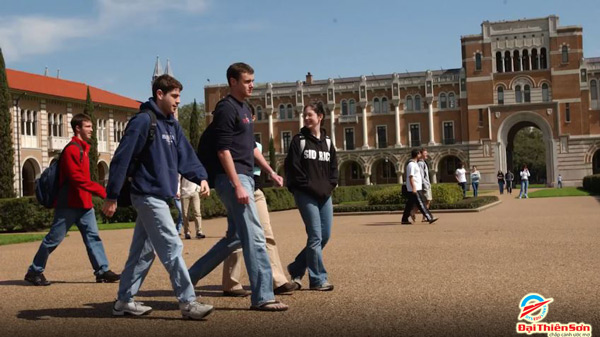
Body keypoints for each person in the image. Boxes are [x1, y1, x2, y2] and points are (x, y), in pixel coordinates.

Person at [102, 74, 213, 320]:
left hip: (162, 196)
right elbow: (122, 157)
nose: (178, 101)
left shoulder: (173, 125)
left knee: (142, 252)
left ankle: (123, 302)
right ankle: (188, 302)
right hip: (147, 194)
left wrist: (201, 177)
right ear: (160, 94)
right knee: (172, 247)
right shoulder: (144, 121)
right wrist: (112, 195)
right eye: (174, 96)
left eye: (179, 96)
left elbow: (186, 155)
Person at [187, 63, 288, 311]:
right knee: (254, 236)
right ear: (233, 82)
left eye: (253, 80)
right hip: (233, 179)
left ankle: (186, 279)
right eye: (247, 81)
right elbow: (223, 150)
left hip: (245, 177)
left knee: (235, 239)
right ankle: (263, 296)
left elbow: (251, 147)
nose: (252, 84)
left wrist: (271, 171)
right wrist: (237, 185)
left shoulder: (244, 109)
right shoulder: (226, 109)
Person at [25, 114, 120, 286]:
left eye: (92, 126)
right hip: (68, 204)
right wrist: (102, 191)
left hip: (84, 204)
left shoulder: (83, 149)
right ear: (78, 128)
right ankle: (34, 271)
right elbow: (76, 179)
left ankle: (102, 271)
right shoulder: (72, 149)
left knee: (93, 237)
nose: (92, 130)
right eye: (88, 126)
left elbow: (82, 179)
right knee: (53, 239)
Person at [221, 107, 299, 297]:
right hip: (239, 187)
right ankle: (231, 283)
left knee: (267, 232)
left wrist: (271, 172)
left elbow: (256, 156)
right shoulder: (232, 137)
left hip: (255, 188)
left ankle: (277, 280)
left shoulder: (253, 142)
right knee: (237, 236)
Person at [285, 102, 338, 291]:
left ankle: (296, 267)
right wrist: (307, 187)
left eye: (310, 115)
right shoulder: (298, 140)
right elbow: (294, 168)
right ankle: (318, 279)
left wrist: (330, 185)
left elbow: (334, 168)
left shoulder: (328, 142)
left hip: (324, 195)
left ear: (320, 117)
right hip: (305, 194)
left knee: (325, 236)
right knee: (315, 235)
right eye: (305, 115)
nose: (307, 118)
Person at [401, 149, 437, 225]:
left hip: (416, 187)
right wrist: (413, 187)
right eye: (420, 154)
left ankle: (404, 219)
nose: (421, 155)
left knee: (409, 204)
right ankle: (429, 217)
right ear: (417, 155)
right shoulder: (411, 164)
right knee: (421, 204)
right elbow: (411, 177)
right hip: (414, 188)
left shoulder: (415, 164)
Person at [415, 148, 432, 222]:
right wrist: (425, 185)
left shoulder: (423, 163)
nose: (426, 155)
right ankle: (424, 217)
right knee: (427, 200)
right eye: (425, 153)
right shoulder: (421, 163)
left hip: (425, 184)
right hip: (424, 185)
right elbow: (421, 176)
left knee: (423, 201)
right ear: (421, 154)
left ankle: (423, 216)